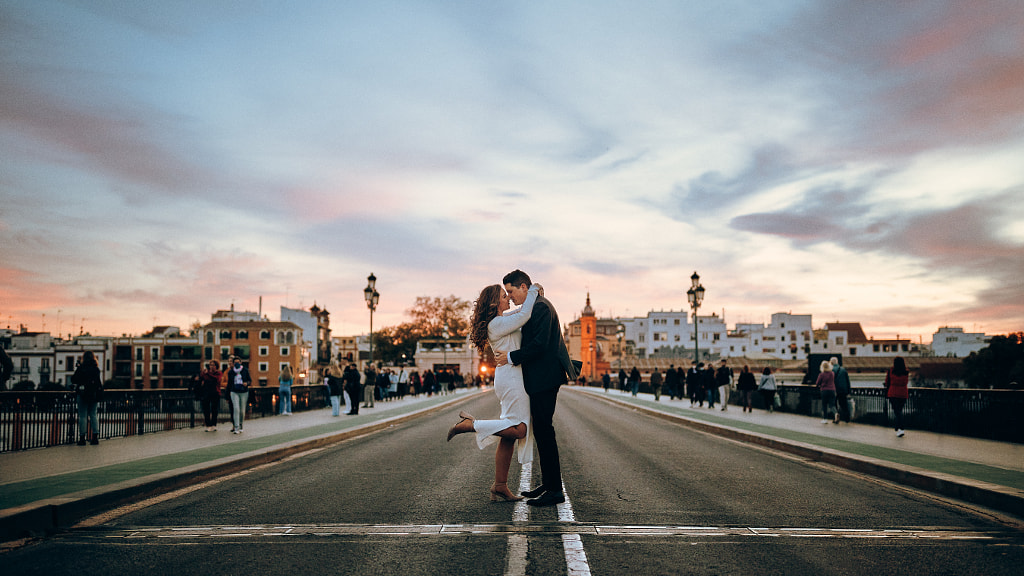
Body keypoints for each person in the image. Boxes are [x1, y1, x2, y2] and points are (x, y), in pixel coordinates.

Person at [449, 282, 541, 502]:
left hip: (511, 376)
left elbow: (521, 311)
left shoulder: (501, 321)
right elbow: (524, 314)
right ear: (494, 302)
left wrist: (531, 300)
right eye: (503, 295)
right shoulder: (496, 324)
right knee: (519, 429)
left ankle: (500, 485)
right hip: (510, 379)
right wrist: (534, 290)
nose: (508, 298)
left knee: (509, 434)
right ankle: (472, 425)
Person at [494, 270, 579, 507]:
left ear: (523, 287)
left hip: (544, 378)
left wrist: (509, 356)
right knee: (542, 431)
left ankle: (554, 490)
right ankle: (550, 484)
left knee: (545, 431)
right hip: (543, 378)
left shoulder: (540, 308)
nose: (510, 297)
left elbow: (539, 345)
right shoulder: (537, 305)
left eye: (511, 291)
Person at [71, 351, 103, 445]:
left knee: (83, 416)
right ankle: (95, 437)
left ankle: (82, 438)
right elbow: (98, 382)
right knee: (93, 414)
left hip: (82, 394)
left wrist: (78, 368)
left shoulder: (81, 368)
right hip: (93, 394)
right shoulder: (96, 369)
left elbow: (74, 379)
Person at [884, 356, 910, 437]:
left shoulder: (891, 371)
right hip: (903, 394)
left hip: (893, 393)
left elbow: (887, 382)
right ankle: (898, 427)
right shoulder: (906, 372)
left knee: (897, 411)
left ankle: (900, 428)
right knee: (899, 411)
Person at [227, 357, 251, 434]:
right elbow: (229, 384)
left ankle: (241, 424)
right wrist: (227, 394)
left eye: (238, 362)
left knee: (242, 410)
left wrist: (246, 383)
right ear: (233, 364)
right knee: (236, 408)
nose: (237, 363)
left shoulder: (245, 370)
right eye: (235, 362)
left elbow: (250, 380)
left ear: (241, 362)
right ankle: (236, 427)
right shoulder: (231, 372)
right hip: (234, 392)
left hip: (243, 392)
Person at [199, 361, 223, 431]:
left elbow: (216, 379)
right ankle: (208, 425)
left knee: (214, 409)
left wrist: (208, 374)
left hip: (215, 393)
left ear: (216, 366)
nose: (211, 366)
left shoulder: (219, 373)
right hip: (206, 393)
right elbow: (201, 379)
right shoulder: (206, 373)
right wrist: (202, 374)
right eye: (210, 365)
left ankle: (214, 425)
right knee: (206, 409)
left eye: (213, 365)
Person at [815, 360, 836, 424]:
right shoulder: (832, 373)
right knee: (832, 404)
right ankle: (836, 413)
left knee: (824, 405)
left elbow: (817, 383)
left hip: (824, 390)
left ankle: (825, 419)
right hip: (832, 390)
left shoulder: (821, 374)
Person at [831, 357, 851, 423]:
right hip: (843, 390)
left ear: (831, 362)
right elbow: (847, 381)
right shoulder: (843, 370)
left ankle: (836, 417)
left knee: (834, 404)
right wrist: (848, 391)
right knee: (843, 404)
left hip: (834, 389)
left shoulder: (831, 370)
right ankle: (847, 418)